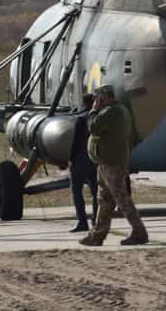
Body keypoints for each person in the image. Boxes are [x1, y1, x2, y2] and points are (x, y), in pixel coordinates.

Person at [79, 84, 148, 247]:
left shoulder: (111, 112)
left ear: (104, 98)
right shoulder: (119, 110)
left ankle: (139, 232)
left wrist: (93, 110)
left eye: (98, 98)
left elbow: (93, 127)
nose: (96, 101)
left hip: (112, 163)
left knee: (122, 199)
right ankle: (97, 235)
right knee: (105, 200)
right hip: (107, 162)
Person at [69, 92, 98, 233]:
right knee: (95, 191)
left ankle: (82, 221)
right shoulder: (99, 117)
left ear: (84, 103)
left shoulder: (80, 119)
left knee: (76, 190)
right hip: (95, 159)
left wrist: (70, 159)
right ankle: (96, 220)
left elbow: (75, 142)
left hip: (80, 160)